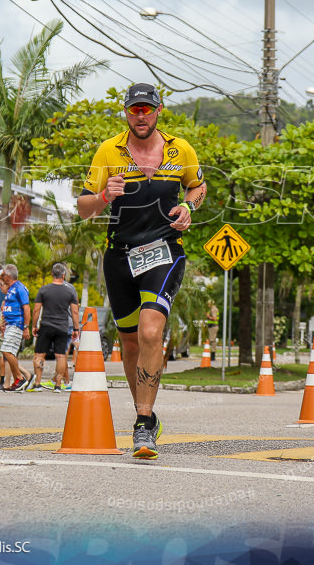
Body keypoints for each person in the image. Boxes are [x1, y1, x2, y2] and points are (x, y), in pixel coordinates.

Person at [77, 82, 206, 460]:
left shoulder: (180, 149)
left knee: (152, 329)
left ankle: (143, 423)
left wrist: (189, 208)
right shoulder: (108, 151)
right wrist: (104, 196)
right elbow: (84, 210)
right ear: (126, 113)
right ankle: (144, 416)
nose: (141, 116)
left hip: (165, 251)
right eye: (134, 110)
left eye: (147, 110)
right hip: (119, 256)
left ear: (159, 110)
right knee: (130, 342)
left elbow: (197, 187)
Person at [31, 263, 80, 391]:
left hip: (46, 325)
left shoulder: (44, 289)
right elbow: (75, 311)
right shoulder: (70, 291)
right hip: (62, 327)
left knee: (40, 354)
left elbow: (36, 309)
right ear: (63, 275)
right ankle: (58, 385)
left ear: (52, 274)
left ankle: (37, 384)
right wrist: (76, 329)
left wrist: (34, 325)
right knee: (61, 356)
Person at [0, 263, 34, 391]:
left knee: (6, 350)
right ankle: (18, 379)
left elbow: (26, 308)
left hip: (16, 324)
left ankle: (20, 377)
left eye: (3, 275)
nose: (1, 278)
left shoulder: (19, 288)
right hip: (9, 324)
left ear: (8, 276)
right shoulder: (11, 288)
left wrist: (25, 327)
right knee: (9, 352)